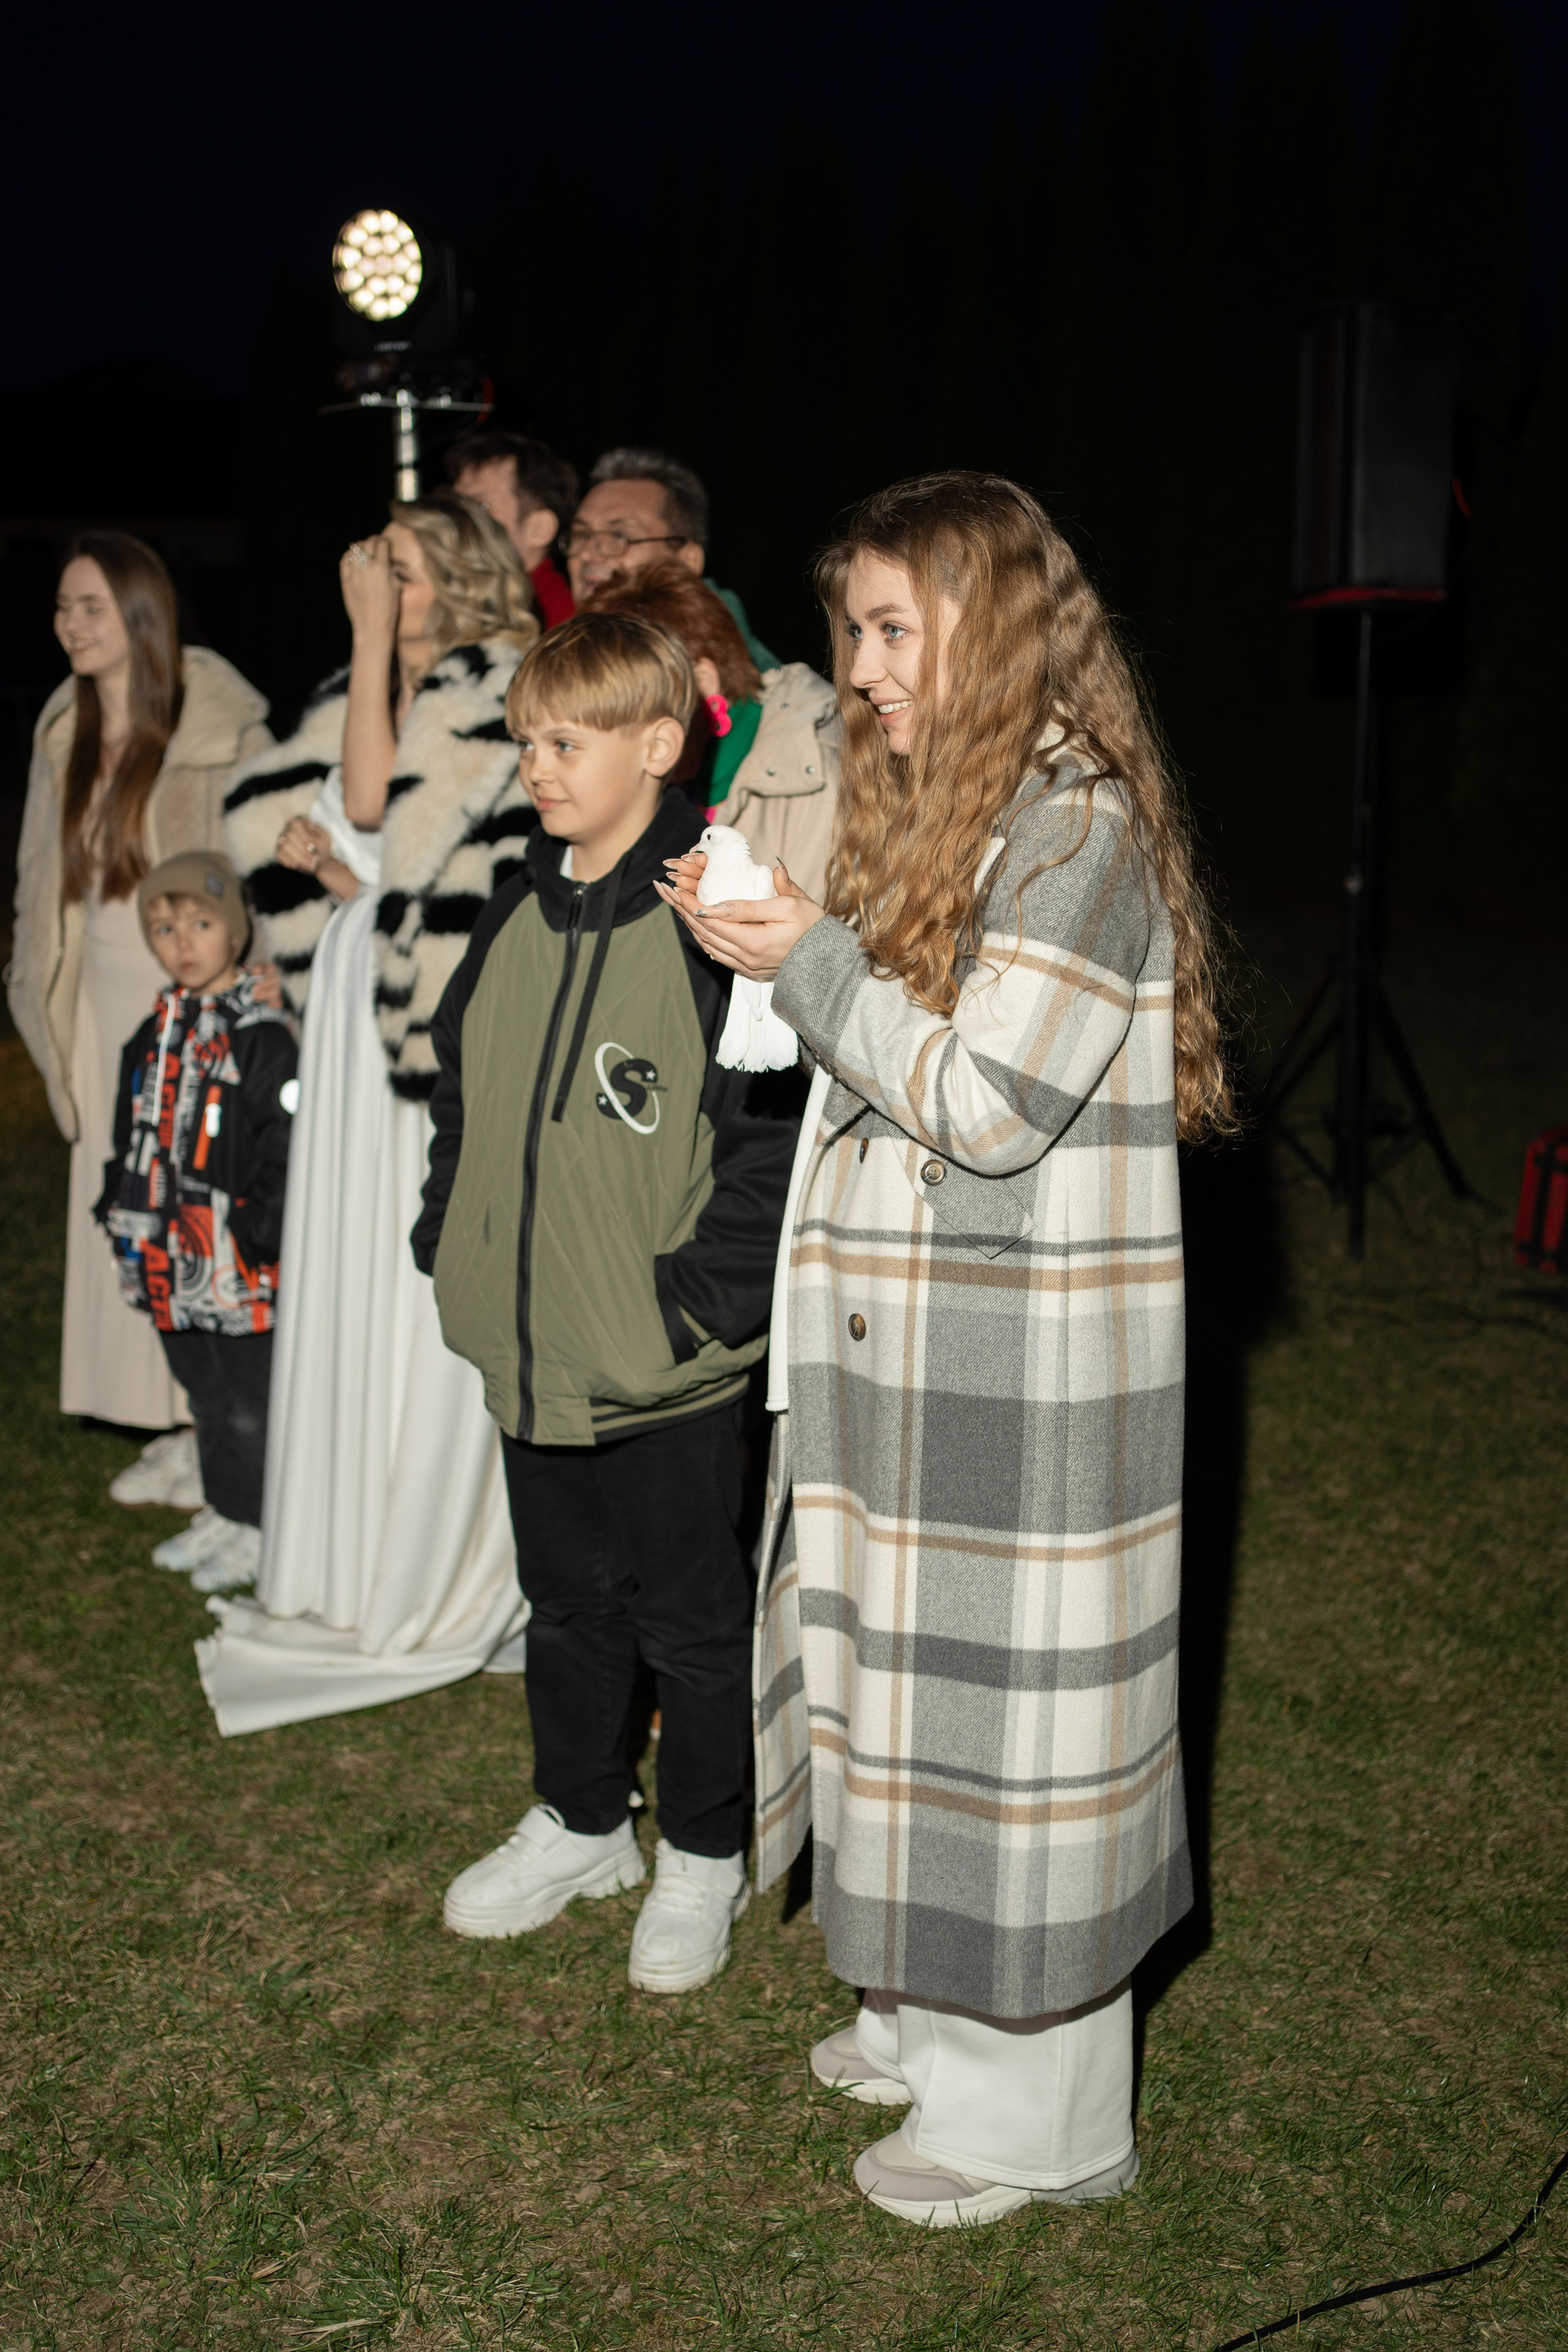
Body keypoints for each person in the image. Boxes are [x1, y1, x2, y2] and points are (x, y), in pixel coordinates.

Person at [659, 472, 1231, 2224]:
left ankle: (1041, 2121)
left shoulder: (1079, 829)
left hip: (1022, 1382)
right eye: (857, 627)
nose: (866, 665)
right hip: (913, 1357)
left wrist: (808, 959)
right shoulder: (965, 809)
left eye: (897, 628)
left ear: (994, 628)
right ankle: (922, 2008)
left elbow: (984, 1101)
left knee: (1006, 1739)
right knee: (899, 1700)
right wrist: (788, 953)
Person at [412, 611, 800, 1993]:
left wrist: (693, 1308)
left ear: (656, 741)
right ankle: (584, 1819)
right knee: (564, 1603)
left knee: (688, 1626)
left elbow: (766, 1144)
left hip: (666, 1366)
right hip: (532, 1349)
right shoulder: (516, 908)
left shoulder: (715, 914)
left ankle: (702, 1849)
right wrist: (443, 1233)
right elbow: (461, 1088)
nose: (537, 765)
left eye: (564, 740)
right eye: (526, 740)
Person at [197, 490, 539, 1734]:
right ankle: (348, 1540)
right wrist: (346, 877)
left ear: (449, 578)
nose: (370, 583)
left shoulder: (491, 682)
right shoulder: (385, 683)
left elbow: (398, 822)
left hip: (420, 1027)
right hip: (353, 999)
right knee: (352, 1275)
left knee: (414, 1281)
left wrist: (357, 868)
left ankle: (434, 1551)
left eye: (392, 567)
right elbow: (375, 841)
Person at [8, 532, 271, 1507]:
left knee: (189, 1212)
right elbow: (49, 883)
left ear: (141, 617)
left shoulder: (217, 733)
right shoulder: (63, 732)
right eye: (63, 607)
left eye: (90, 607)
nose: (68, 624)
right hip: (97, 1005)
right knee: (127, 1217)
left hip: (186, 1004)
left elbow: (250, 877)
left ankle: (213, 1434)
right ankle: (173, 1423)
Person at [96, 853, 296, 1592]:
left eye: (201, 924)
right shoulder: (156, 1030)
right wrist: (116, 1200)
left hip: (234, 1257)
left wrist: (260, 1224)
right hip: (165, 1249)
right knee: (204, 1392)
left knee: (250, 1400)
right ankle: (227, 1505)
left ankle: (263, 1522)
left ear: (236, 934)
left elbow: (283, 1139)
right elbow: (135, 1129)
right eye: (164, 928)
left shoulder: (260, 1034)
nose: (182, 942)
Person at [584, 561, 842, 902]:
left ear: (703, 684)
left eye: (625, 704)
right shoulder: (672, 777)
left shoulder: (817, 777)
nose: (607, 734)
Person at [567, 447, 779, 674]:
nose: (587, 554)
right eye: (582, 535)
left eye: (619, 536)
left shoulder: (768, 696)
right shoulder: (552, 652)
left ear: (688, 561)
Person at [446, 429, 578, 627]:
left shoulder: (561, 629)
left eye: (481, 507)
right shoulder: (471, 600)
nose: (454, 521)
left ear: (539, 529)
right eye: (455, 507)